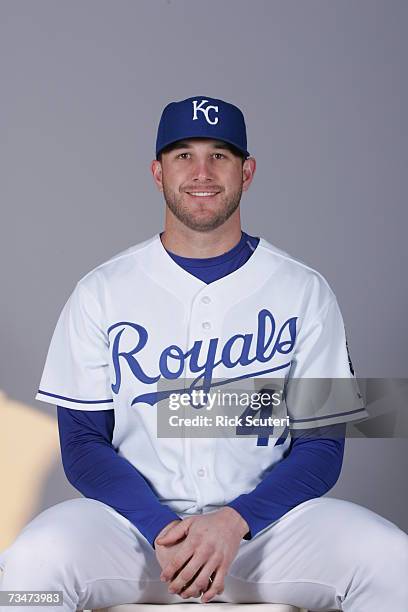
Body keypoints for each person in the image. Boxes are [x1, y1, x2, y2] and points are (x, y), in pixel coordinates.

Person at [0, 96, 407, 612]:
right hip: (132, 532)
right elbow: (82, 444)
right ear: (157, 171)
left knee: (394, 561)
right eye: (182, 155)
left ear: (247, 171)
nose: (201, 172)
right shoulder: (101, 291)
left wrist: (235, 522)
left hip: (267, 534)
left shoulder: (303, 290)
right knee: (29, 570)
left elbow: (322, 447)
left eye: (220, 155)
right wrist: (163, 530)